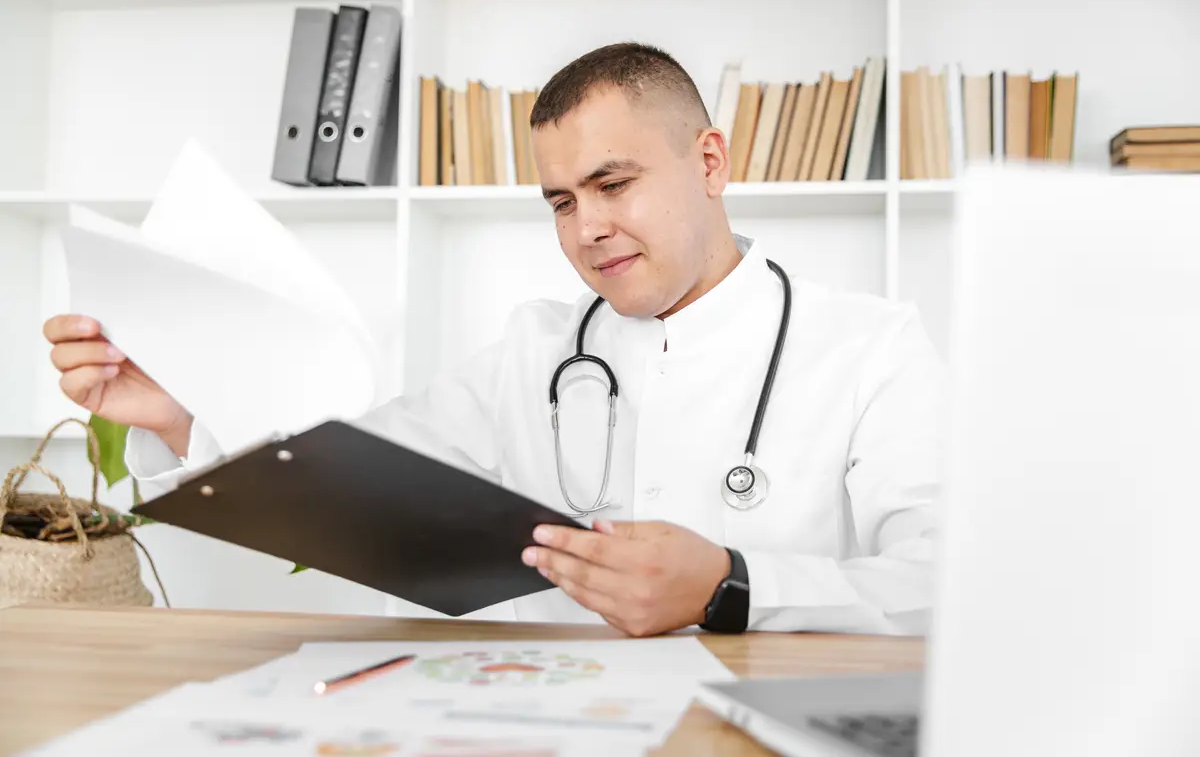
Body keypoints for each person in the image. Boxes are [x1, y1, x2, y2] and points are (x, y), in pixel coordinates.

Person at [42, 42, 945, 638]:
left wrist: (732, 585)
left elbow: (941, 584)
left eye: (613, 182)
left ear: (709, 163)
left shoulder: (869, 348)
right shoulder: (538, 352)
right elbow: (347, 483)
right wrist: (179, 415)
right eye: (561, 200)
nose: (587, 227)